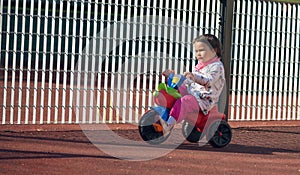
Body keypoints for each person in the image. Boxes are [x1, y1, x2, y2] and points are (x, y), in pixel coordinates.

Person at [159, 34, 225, 136]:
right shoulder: (199, 66)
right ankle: (164, 111)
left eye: (201, 50)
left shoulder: (217, 67)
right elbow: (189, 82)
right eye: (196, 51)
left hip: (204, 99)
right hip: (194, 93)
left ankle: (169, 125)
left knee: (184, 101)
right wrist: (175, 77)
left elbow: (209, 81)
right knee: (175, 89)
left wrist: (194, 76)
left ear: (214, 51)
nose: (198, 54)